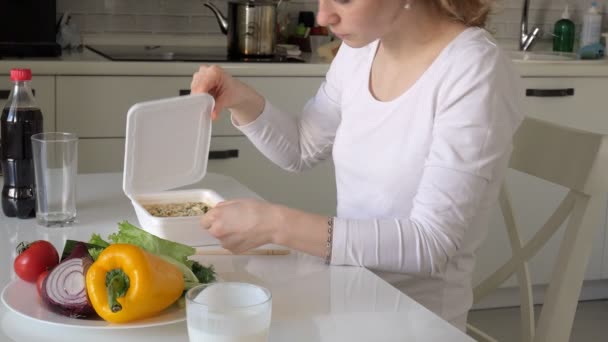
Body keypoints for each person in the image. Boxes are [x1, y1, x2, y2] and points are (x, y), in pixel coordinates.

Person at [190, 0, 523, 331]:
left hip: (416, 323)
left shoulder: (473, 68)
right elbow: (301, 148)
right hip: (346, 296)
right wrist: (240, 99)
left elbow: (431, 242)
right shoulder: (361, 50)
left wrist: (276, 224)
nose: (324, 16)